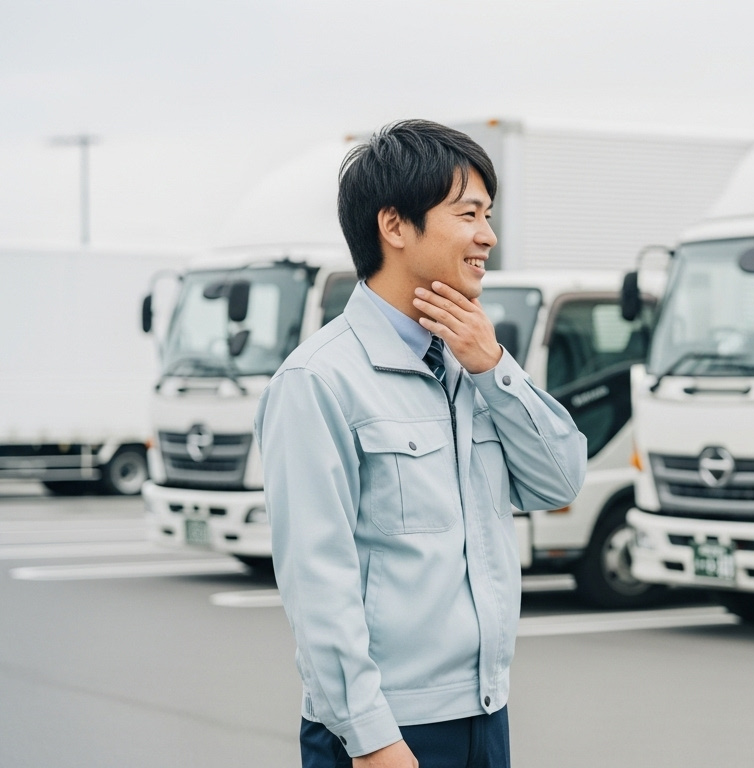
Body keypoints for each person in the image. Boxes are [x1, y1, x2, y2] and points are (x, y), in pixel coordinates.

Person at [255, 119, 587, 768]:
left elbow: (559, 481)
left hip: (485, 713)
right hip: (386, 731)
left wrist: (495, 368)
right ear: (395, 226)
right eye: (468, 214)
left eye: (488, 215)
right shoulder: (318, 380)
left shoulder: (473, 365)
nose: (487, 236)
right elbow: (317, 581)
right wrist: (372, 738)